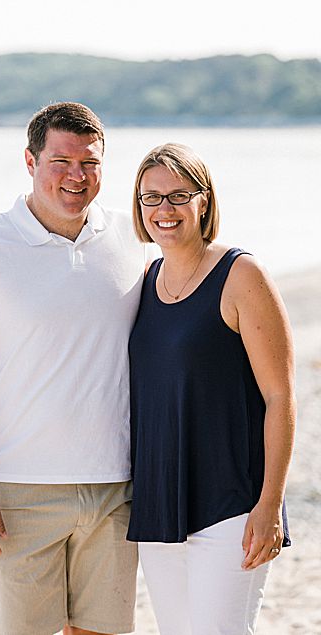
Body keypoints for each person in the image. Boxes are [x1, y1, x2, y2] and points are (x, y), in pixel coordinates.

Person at [0, 102, 147, 635]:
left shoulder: (133, 239)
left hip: (116, 486)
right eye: (61, 161)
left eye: (90, 163)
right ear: (30, 161)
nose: (76, 176)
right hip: (19, 490)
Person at [125, 143, 294, 634]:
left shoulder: (242, 275)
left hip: (232, 504)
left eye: (178, 195)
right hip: (161, 503)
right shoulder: (145, 280)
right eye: (150, 197)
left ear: (204, 201)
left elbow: (280, 397)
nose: (164, 210)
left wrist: (269, 506)